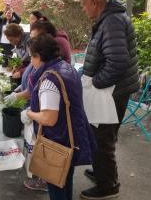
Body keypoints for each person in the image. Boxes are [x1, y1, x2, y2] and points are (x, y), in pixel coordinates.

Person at [79, 0, 139, 199]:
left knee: (102, 137)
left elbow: (118, 61)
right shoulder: (109, 18)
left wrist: (96, 82)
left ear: (94, 3)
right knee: (104, 135)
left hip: (113, 91)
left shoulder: (112, 21)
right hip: (115, 89)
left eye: (84, 5)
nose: (84, 10)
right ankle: (103, 172)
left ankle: (108, 186)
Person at [22, 34, 96, 200]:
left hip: (58, 141)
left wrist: (29, 113)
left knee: (57, 187)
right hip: (72, 136)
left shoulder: (49, 80)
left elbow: (49, 118)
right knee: (64, 181)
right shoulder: (65, 67)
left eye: (30, 56)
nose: (30, 61)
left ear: (38, 56)